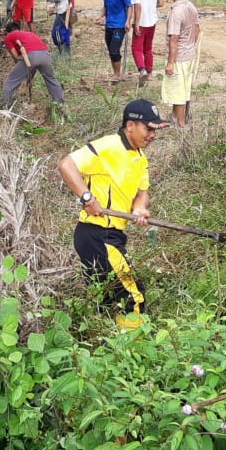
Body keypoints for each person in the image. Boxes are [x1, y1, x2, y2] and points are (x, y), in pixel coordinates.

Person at [57, 99, 169, 332]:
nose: (152, 135)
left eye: (155, 130)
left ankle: (106, 350)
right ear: (130, 125)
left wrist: (139, 209)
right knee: (133, 297)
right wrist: (86, 198)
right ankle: (132, 352)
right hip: (97, 235)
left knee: (106, 300)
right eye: (148, 129)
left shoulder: (140, 157)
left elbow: (142, 192)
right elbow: (67, 165)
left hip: (113, 236)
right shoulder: (108, 146)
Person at [0, 21, 64, 108]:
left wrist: (22, 71)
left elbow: (16, 57)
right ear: (19, 29)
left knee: (12, 81)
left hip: (29, 56)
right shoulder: (29, 33)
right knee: (51, 79)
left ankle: (3, 105)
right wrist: (30, 76)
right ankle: (60, 104)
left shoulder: (8, 37)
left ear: (8, 31)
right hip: (45, 54)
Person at [162, 0, 201, 127]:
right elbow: (197, 30)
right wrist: (190, 45)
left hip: (179, 57)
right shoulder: (190, 6)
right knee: (184, 89)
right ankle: (174, 116)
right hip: (189, 54)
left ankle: (181, 124)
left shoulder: (176, 12)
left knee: (178, 92)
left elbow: (174, 38)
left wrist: (171, 62)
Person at [96, 0, 132, 82]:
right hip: (109, 25)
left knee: (114, 49)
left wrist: (128, 21)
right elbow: (105, 7)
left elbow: (129, 6)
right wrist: (101, 16)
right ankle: (115, 73)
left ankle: (117, 74)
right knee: (111, 50)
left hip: (119, 26)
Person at [129, 0, 163, 85]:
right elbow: (161, 3)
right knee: (148, 48)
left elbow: (137, 7)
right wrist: (150, 4)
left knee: (136, 48)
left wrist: (136, 24)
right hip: (152, 21)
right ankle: (149, 73)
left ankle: (142, 70)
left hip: (142, 22)